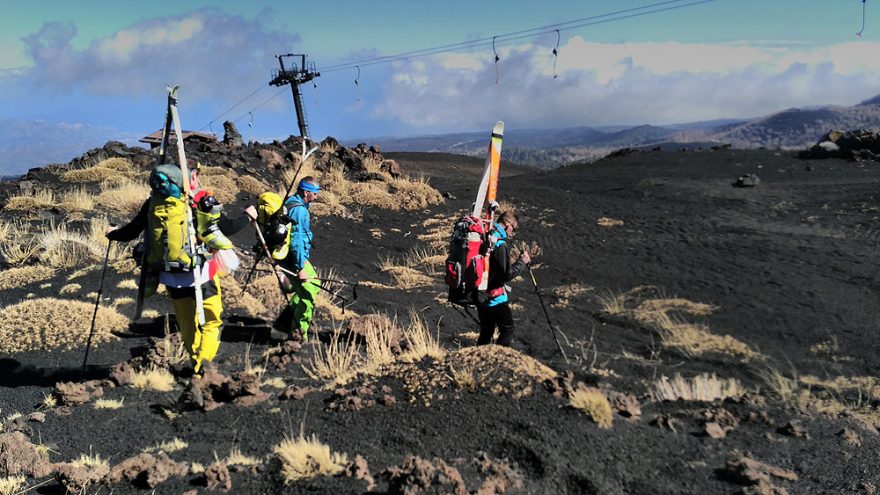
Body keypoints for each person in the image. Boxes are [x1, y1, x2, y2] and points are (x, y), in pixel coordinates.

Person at [107, 162, 245, 376]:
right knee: (212, 321)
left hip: (171, 277)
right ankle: (203, 365)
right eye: (196, 175)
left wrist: (112, 233)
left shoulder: (153, 204)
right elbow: (227, 228)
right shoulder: (197, 201)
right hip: (201, 274)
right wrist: (248, 216)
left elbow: (131, 231)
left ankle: (195, 362)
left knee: (187, 324)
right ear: (188, 178)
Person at [244, 176, 321, 342]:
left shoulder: (290, 202)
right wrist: (300, 267)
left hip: (286, 254)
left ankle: (286, 321)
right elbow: (297, 240)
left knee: (315, 284)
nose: (316, 197)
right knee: (308, 294)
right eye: (315, 193)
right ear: (306, 192)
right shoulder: (300, 211)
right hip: (292, 258)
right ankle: (299, 334)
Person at [477, 209, 531, 347]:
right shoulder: (500, 243)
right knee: (507, 330)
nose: (512, 232)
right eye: (514, 229)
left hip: (480, 293)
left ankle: (478, 360)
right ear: (508, 226)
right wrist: (522, 262)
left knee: (486, 331)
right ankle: (500, 360)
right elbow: (506, 274)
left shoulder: (485, 234)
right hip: (495, 298)